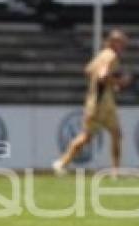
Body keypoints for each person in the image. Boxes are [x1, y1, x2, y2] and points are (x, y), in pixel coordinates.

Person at [53, 29, 132, 177]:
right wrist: (119, 81)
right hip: (100, 102)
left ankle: (116, 171)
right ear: (114, 42)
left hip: (101, 100)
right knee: (87, 136)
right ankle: (62, 163)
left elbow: (89, 70)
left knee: (115, 134)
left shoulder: (102, 55)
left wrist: (107, 83)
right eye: (121, 42)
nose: (124, 46)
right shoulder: (111, 56)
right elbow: (102, 76)